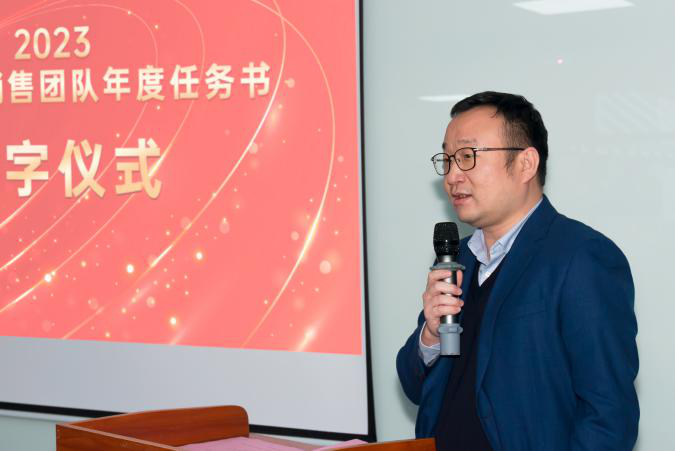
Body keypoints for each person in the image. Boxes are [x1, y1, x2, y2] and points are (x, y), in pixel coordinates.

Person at [396, 92, 639, 451]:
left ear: (525, 164)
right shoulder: (457, 258)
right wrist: (430, 336)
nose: (452, 176)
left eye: (467, 156)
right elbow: (415, 386)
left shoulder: (581, 258)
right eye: (447, 159)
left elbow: (609, 417)